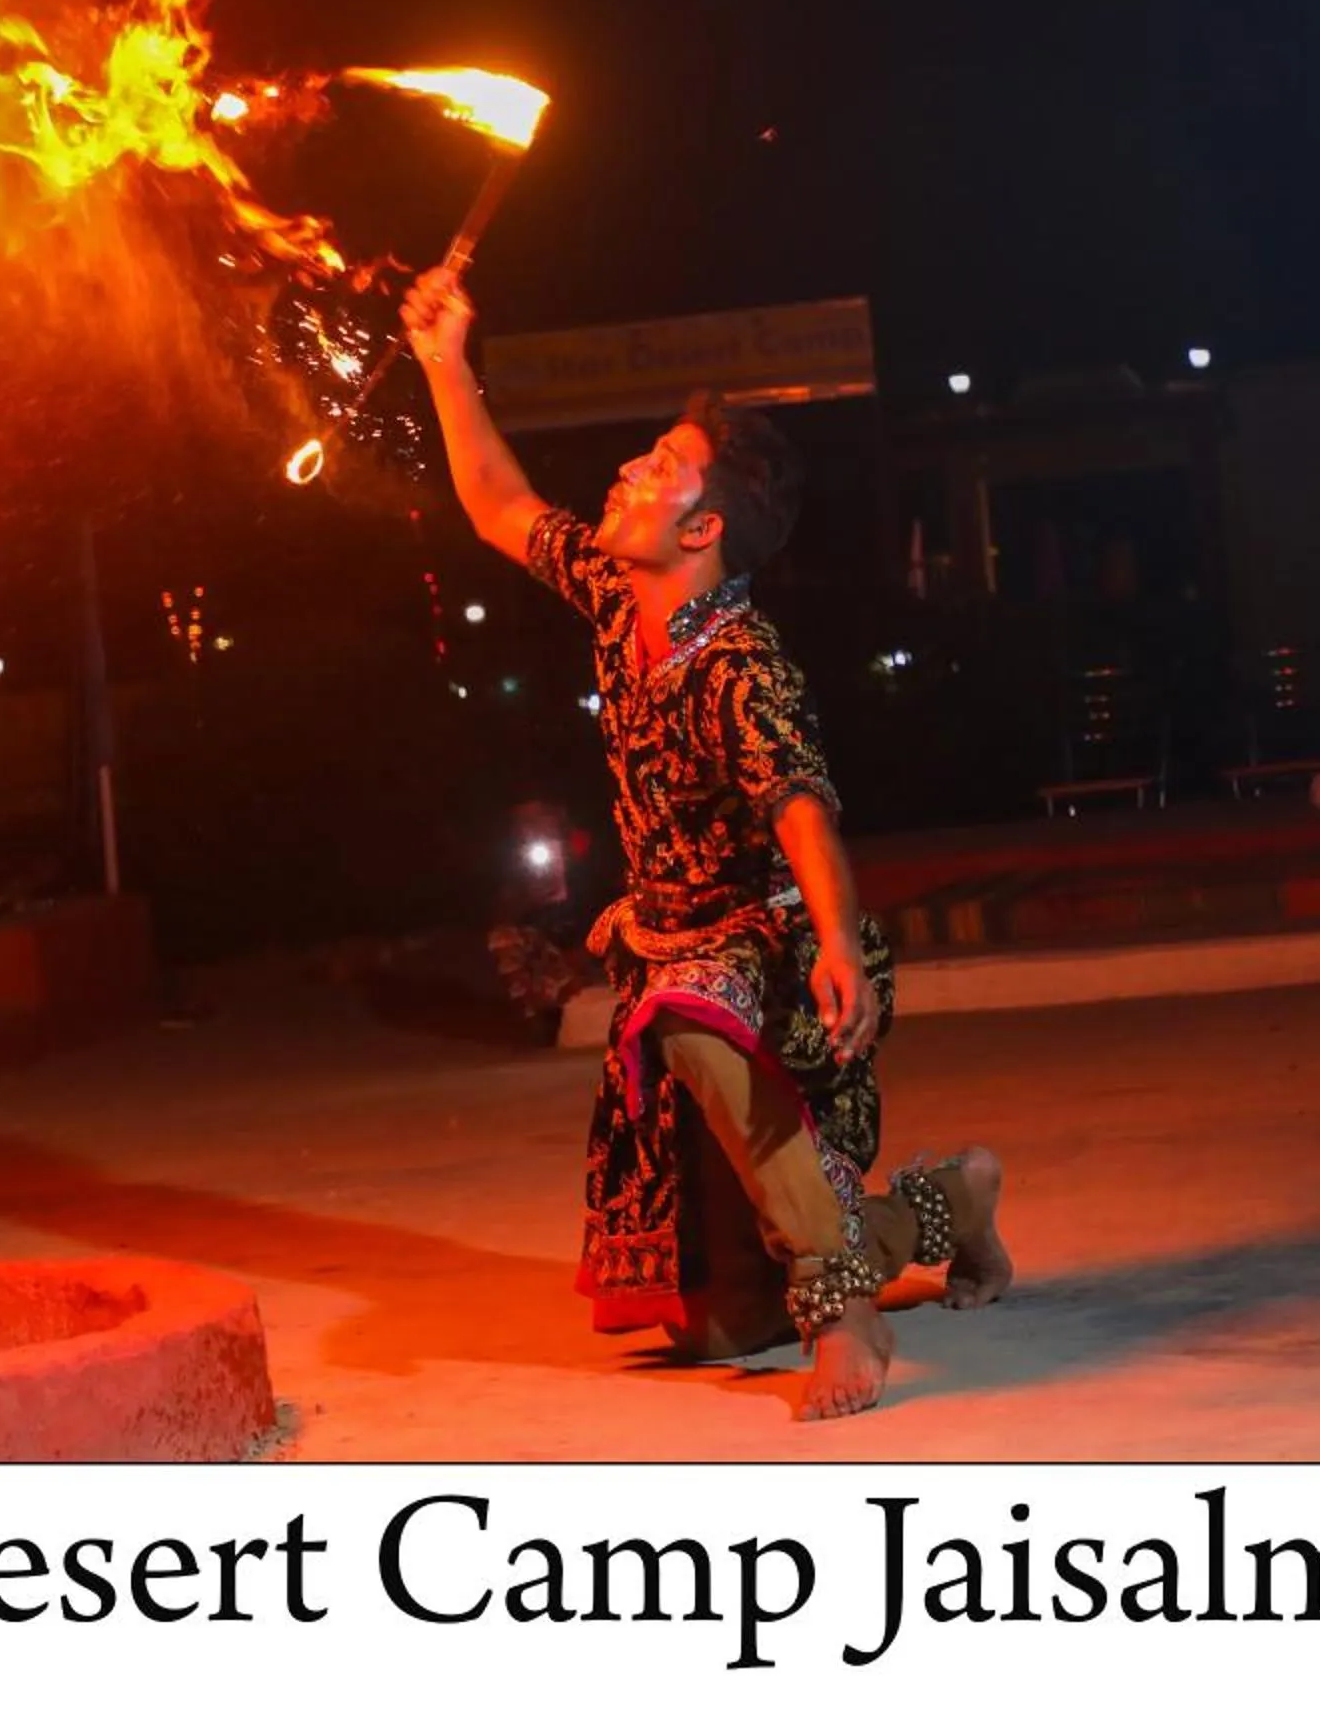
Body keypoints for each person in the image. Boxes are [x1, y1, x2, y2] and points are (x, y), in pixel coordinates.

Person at [402, 265, 1010, 1420]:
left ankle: (850, 1314)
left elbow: (802, 806)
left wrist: (834, 938)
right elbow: (494, 503)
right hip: (670, 939)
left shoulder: (741, 663)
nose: (629, 468)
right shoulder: (613, 591)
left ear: (704, 526)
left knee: (688, 1010)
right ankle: (945, 1209)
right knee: (732, 1320)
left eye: (662, 466)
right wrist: (444, 359)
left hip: (769, 949)